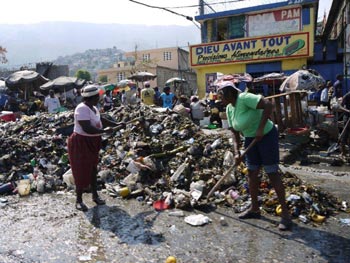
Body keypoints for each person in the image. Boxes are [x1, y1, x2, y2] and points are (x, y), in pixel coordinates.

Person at [217, 81, 292, 231]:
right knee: (252, 173)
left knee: (271, 173)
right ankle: (254, 209)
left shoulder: (245, 98)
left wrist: (260, 128)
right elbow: (235, 132)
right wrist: (237, 152)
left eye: (221, 95)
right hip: (251, 139)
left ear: (230, 93)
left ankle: (285, 215)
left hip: (266, 135)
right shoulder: (229, 108)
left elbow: (268, 105)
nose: (220, 99)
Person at [67, 85, 124, 211]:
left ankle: (95, 195)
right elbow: (87, 128)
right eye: (98, 95)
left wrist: (117, 124)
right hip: (81, 142)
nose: (100, 97)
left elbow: (101, 119)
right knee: (81, 170)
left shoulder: (93, 107)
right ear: (94, 97)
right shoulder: (81, 109)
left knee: (93, 169)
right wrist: (104, 131)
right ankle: (79, 200)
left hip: (93, 141)